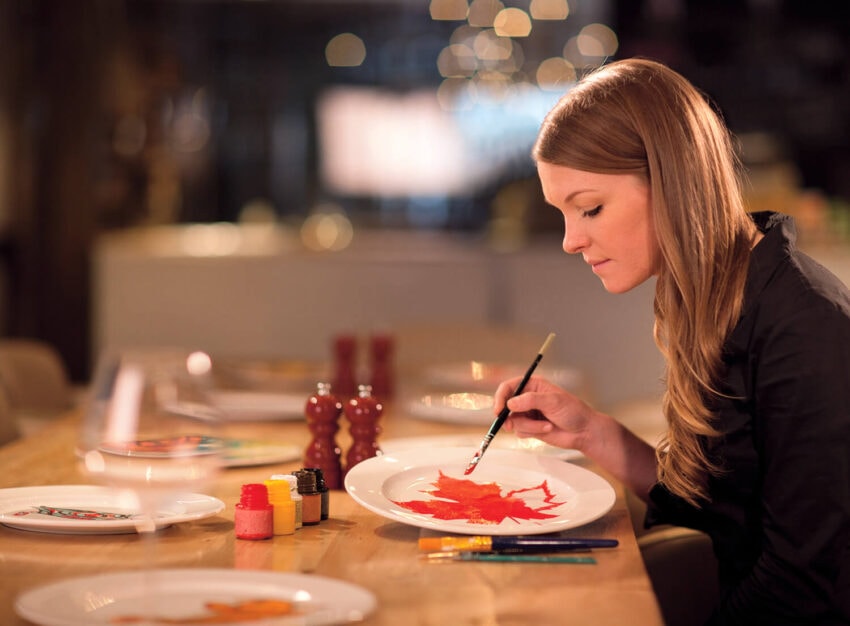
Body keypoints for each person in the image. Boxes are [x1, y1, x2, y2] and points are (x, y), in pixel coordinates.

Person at [495, 57, 850, 625]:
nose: (569, 240)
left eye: (589, 208)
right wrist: (592, 431)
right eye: (563, 213)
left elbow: (800, 586)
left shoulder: (804, 329)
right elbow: (719, 511)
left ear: (672, 181)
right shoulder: (711, 296)